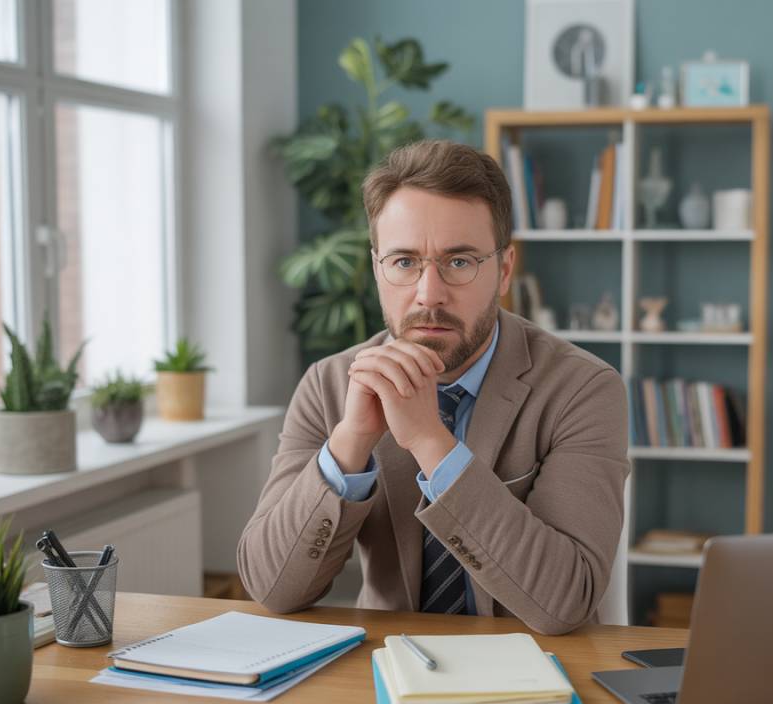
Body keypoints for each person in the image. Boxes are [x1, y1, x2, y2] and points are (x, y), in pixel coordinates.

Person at [237, 139, 629, 635]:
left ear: (504, 270)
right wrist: (352, 440)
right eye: (404, 263)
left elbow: (565, 602)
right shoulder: (330, 384)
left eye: (459, 262)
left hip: (537, 675)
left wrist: (431, 442)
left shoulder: (582, 388)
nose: (429, 294)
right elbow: (272, 588)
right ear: (378, 268)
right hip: (386, 667)